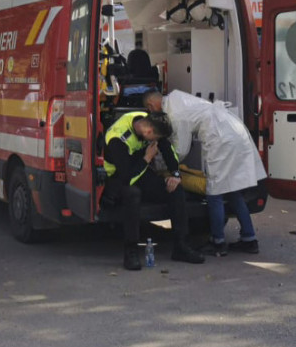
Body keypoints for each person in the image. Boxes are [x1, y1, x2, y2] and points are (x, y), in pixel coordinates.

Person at [143, 90, 265, 256]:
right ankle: (249, 240)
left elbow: (181, 150)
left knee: (214, 192)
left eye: (149, 110)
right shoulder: (175, 97)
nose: (151, 113)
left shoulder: (174, 114)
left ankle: (218, 243)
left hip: (222, 140)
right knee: (232, 191)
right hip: (235, 132)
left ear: (151, 106)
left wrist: (162, 166)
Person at [101, 110, 205, 270]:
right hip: (118, 177)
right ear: (148, 132)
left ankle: (181, 246)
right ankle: (131, 252)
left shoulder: (150, 121)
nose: (156, 141)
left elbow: (167, 150)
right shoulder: (117, 138)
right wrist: (147, 158)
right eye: (155, 138)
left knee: (175, 189)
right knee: (133, 194)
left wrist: (175, 174)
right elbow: (128, 177)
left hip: (140, 170)